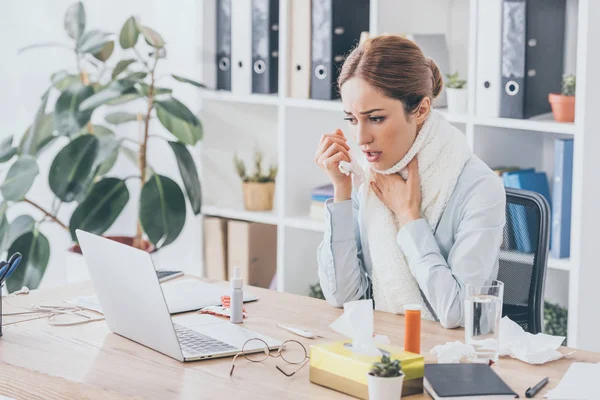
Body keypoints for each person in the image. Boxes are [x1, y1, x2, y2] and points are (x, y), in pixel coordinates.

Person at [314, 35, 506, 328]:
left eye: (375, 118)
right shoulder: (369, 179)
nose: (361, 138)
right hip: (384, 351)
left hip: (451, 359)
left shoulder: (479, 188)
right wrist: (341, 191)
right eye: (352, 119)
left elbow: (457, 312)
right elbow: (343, 296)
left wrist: (409, 219)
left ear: (421, 110)